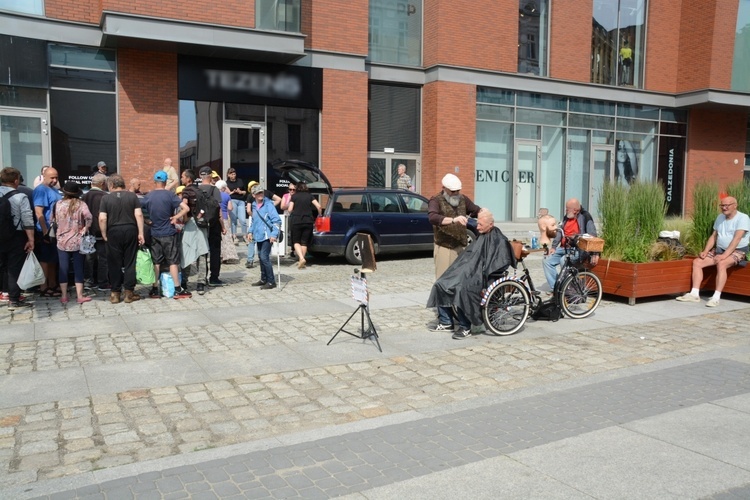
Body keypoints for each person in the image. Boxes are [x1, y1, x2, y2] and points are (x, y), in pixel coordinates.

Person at [427, 208, 516, 339]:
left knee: (462, 289)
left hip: (484, 277)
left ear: (490, 224)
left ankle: (465, 327)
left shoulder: (499, 240)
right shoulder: (482, 236)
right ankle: (446, 322)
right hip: (471, 272)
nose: (477, 227)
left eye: (480, 225)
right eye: (477, 223)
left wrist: (479, 271)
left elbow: (499, 262)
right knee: (441, 283)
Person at [677, 196, 750, 307]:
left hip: (737, 250)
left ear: (735, 205)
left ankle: (716, 297)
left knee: (722, 263)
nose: (724, 208)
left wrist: (724, 255)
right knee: (697, 262)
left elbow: (737, 239)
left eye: (727, 205)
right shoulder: (720, 217)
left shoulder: (743, 218)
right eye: (722, 205)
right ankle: (694, 294)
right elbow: (714, 236)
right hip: (720, 249)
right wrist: (705, 251)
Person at [140, 170, 191, 299]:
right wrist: (176, 217)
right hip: (168, 232)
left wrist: (146, 220)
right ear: (165, 181)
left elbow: (137, 209)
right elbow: (186, 208)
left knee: (156, 262)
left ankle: (155, 289)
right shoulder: (170, 195)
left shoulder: (149, 196)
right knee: (173, 261)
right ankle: (178, 289)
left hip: (154, 232)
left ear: (154, 181)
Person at [99, 174, 145, 304]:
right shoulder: (132, 196)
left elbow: (102, 218)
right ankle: (129, 293)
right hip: (130, 229)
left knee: (114, 263)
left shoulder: (106, 198)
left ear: (111, 185)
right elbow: (139, 215)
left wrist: (104, 233)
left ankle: (115, 293)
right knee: (130, 261)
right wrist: (140, 232)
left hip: (113, 231)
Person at [428, 173, 481, 280]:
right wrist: (453, 220)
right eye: (453, 191)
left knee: (461, 280)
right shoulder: (436, 200)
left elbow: (476, 210)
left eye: (458, 190)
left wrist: (485, 216)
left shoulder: (463, 199)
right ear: (444, 188)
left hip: (461, 245)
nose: (456, 193)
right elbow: (432, 217)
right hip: (445, 247)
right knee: (444, 281)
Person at [543, 198, 599, 289]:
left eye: (567, 209)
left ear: (575, 210)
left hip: (577, 249)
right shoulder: (567, 216)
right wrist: (553, 247)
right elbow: (559, 232)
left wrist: (595, 253)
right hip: (564, 248)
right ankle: (556, 289)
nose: (565, 210)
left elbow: (592, 235)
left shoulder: (585, 217)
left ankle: (571, 289)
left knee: (563, 260)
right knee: (547, 260)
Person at [0, 167, 35, 311]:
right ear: (16, 181)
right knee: (14, 267)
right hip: (16, 235)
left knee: (2, 265)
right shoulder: (20, 197)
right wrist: (31, 239)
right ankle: (14, 299)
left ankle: (4, 293)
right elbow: (27, 219)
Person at [54, 181, 93, 305]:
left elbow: (53, 219)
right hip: (77, 240)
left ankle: (64, 296)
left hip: (61, 240)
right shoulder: (81, 204)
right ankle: (79, 296)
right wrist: (85, 228)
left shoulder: (58, 204)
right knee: (78, 268)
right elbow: (89, 217)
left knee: (63, 268)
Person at [33, 166, 62, 297]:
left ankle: (52, 283)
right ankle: (43, 286)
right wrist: (45, 231)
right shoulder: (41, 190)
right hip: (46, 230)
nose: (55, 180)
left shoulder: (54, 190)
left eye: (56, 177)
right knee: (45, 259)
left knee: (53, 259)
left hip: (55, 230)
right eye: (52, 178)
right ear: (44, 177)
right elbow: (39, 212)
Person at [179, 169, 209, 294]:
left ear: (188, 179)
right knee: (202, 253)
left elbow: (185, 206)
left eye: (182, 177)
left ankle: (184, 282)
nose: (181, 179)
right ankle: (201, 283)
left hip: (191, 223)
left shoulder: (186, 191)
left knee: (186, 252)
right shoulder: (201, 190)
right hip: (202, 223)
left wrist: (183, 220)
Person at [197, 166, 226, 287]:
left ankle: (201, 278)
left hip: (200, 224)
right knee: (215, 251)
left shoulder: (196, 189)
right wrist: (223, 226)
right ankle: (214, 278)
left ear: (200, 176)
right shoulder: (215, 190)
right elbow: (218, 211)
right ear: (210, 176)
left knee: (202, 252)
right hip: (214, 224)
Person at [248, 184, 281, 289]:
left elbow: (276, 220)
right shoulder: (253, 205)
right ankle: (263, 279)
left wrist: (274, 234)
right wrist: (250, 232)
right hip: (258, 235)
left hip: (267, 235)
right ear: (253, 195)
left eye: (261, 192)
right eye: (258, 193)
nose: (260, 195)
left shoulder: (269, 205)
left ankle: (271, 281)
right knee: (261, 257)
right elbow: (254, 221)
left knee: (264, 257)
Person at [82, 173, 110, 291]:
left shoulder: (84, 197)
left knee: (88, 258)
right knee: (103, 258)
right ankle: (103, 282)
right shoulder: (105, 196)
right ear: (103, 184)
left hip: (87, 232)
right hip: (101, 231)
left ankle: (88, 281)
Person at [288, 181, 323, 269]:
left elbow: (289, 209)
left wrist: (294, 211)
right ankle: (301, 261)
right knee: (304, 242)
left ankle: (302, 258)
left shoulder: (294, 196)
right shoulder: (310, 196)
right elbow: (319, 206)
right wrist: (319, 215)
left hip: (296, 221)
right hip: (308, 221)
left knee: (296, 241)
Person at [216, 180, 239, 264]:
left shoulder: (215, 195)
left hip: (216, 218)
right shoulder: (226, 196)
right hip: (225, 217)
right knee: (226, 237)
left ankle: (220, 255)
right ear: (223, 188)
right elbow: (230, 208)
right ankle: (228, 256)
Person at [225, 168, 246, 242]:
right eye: (231, 174)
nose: (233, 175)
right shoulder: (226, 183)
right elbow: (226, 194)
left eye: (234, 173)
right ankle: (234, 235)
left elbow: (245, 192)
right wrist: (233, 192)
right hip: (232, 200)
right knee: (233, 220)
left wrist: (240, 192)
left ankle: (244, 235)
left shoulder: (240, 181)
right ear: (228, 175)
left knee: (243, 220)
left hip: (241, 201)